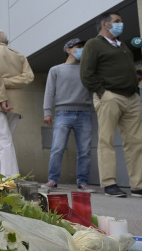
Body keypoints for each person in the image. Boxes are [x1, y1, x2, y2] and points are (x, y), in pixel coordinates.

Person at [80, 12, 142, 198]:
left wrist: (136, 91)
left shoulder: (123, 46)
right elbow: (86, 73)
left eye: (121, 21)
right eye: (117, 22)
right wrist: (102, 92)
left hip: (132, 98)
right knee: (106, 140)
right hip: (110, 96)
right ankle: (109, 184)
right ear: (105, 25)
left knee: (136, 142)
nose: (120, 24)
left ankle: (137, 185)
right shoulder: (93, 44)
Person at [42, 38, 95, 193]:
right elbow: (49, 92)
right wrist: (47, 112)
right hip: (62, 113)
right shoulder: (56, 70)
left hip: (85, 113)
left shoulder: (86, 69)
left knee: (84, 150)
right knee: (57, 148)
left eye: (83, 48)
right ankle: (52, 180)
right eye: (78, 47)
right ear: (68, 49)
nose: (82, 50)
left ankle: (83, 182)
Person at [0, 30, 34, 179]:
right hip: (15, 104)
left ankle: (10, 180)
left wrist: (2, 95)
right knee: (5, 143)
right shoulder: (19, 56)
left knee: (2, 142)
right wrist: (9, 82)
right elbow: (28, 78)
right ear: (7, 42)